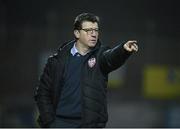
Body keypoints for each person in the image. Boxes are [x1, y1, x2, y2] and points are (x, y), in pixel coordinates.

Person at [34, 12, 138, 128]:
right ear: (77, 33)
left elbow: (111, 58)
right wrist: (49, 121)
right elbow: (42, 94)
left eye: (96, 30)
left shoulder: (100, 56)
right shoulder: (56, 61)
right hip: (59, 124)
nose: (93, 34)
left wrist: (123, 50)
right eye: (88, 30)